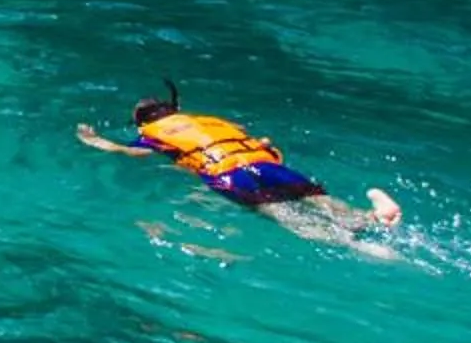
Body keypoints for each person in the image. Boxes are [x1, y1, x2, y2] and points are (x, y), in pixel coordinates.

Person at [76, 84, 402, 254]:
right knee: (319, 202)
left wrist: (93, 140)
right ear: (175, 109)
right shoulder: (208, 120)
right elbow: (255, 138)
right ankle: (372, 216)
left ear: (141, 122)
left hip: (228, 175)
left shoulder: (151, 135)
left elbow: (129, 152)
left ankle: (356, 246)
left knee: (284, 216)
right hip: (262, 162)